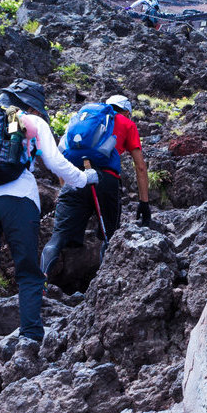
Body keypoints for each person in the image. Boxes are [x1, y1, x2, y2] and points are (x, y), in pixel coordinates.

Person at [0, 79, 98, 351]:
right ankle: (31, 336)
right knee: (27, 269)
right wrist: (84, 179)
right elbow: (55, 161)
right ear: (33, 106)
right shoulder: (31, 121)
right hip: (20, 201)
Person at [41, 94, 152, 281]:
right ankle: (103, 288)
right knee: (110, 239)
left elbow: (62, 154)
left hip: (75, 177)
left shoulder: (83, 120)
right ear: (126, 112)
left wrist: (66, 188)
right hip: (106, 180)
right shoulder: (127, 123)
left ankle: (38, 284)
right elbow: (140, 166)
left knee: (58, 238)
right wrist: (144, 202)